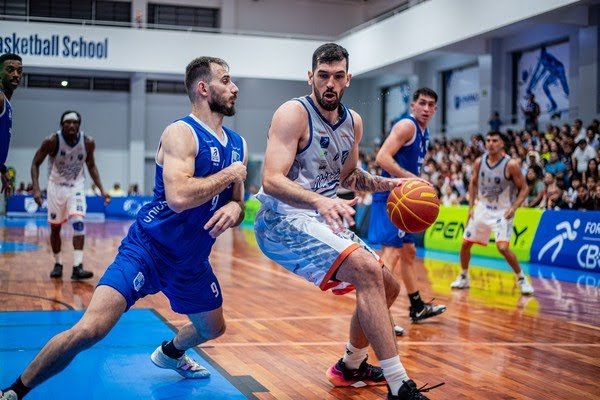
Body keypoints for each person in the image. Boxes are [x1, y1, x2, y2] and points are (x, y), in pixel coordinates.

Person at [0, 56, 247, 400]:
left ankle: (172, 352)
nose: (234, 87)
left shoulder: (238, 144)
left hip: (191, 260)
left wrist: (236, 206)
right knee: (90, 329)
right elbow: (178, 196)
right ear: (204, 88)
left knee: (213, 328)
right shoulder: (181, 133)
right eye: (226, 80)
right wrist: (231, 174)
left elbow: (237, 200)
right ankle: (14, 390)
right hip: (147, 249)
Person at [254, 43, 442, 400]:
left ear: (348, 79)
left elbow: (350, 175)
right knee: (368, 272)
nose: (330, 83)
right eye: (322, 75)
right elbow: (271, 179)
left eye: (337, 76)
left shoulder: (352, 121)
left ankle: (351, 365)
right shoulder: (293, 113)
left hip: (320, 215)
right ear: (310, 76)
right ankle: (399, 385)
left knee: (388, 286)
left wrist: (394, 183)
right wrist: (320, 201)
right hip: (282, 220)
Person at [369, 88, 446, 336]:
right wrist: (415, 180)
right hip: (393, 198)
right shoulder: (407, 126)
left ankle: (416, 306)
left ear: (435, 109)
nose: (425, 108)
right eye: (421, 103)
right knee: (390, 254)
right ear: (413, 105)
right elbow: (382, 157)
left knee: (409, 252)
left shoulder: (424, 132)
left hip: (403, 197)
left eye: (430, 104)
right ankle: (380, 317)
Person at [450, 131, 534, 295]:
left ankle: (522, 279)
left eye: (495, 140)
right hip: (482, 209)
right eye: (488, 140)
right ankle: (464, 276)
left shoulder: (511, 164)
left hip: (502, 212)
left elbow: (524, 188)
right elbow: (473, 183)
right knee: (465, 244)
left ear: (502, 143)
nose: (490, 143)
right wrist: (471, 207)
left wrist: (514, 207)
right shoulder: (479, 162)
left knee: (502, 247)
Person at [31, 111, 110, 280]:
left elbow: (91, 166)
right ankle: (58, 263)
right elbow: (35, 163)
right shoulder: (52, 141)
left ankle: (77, 267)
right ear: (62, 124)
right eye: (68, 122)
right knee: (55, 227)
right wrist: (36, 189)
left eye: (75, 122)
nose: (72, 125)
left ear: (79, 125)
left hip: (76, 186)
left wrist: (102, 190)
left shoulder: (88, 142)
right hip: (56, 187)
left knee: (79, 222)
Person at [0, 53, 23, 197]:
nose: (16, 75)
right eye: (10, 70)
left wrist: (2, 169)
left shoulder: (5, 102)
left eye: (19, 71)